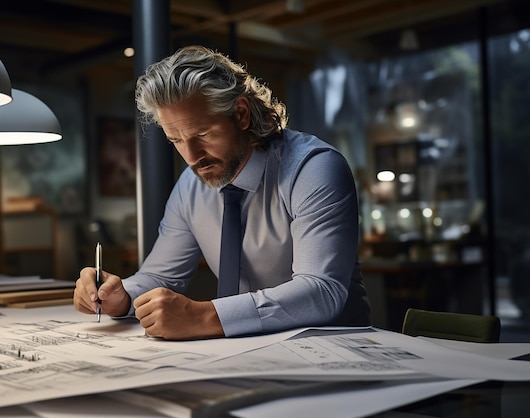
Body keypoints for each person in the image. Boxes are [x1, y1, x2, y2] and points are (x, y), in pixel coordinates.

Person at [74, 45, 371, 340]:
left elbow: (321, 291)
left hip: (337, 347)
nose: (191, 157)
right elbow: (160, 276)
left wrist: (205, 316)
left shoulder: (314, 168)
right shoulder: (191, 186)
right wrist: (120, 296)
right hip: (246, 350)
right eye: (175, 140)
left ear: (241, 114)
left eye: (203, 134)